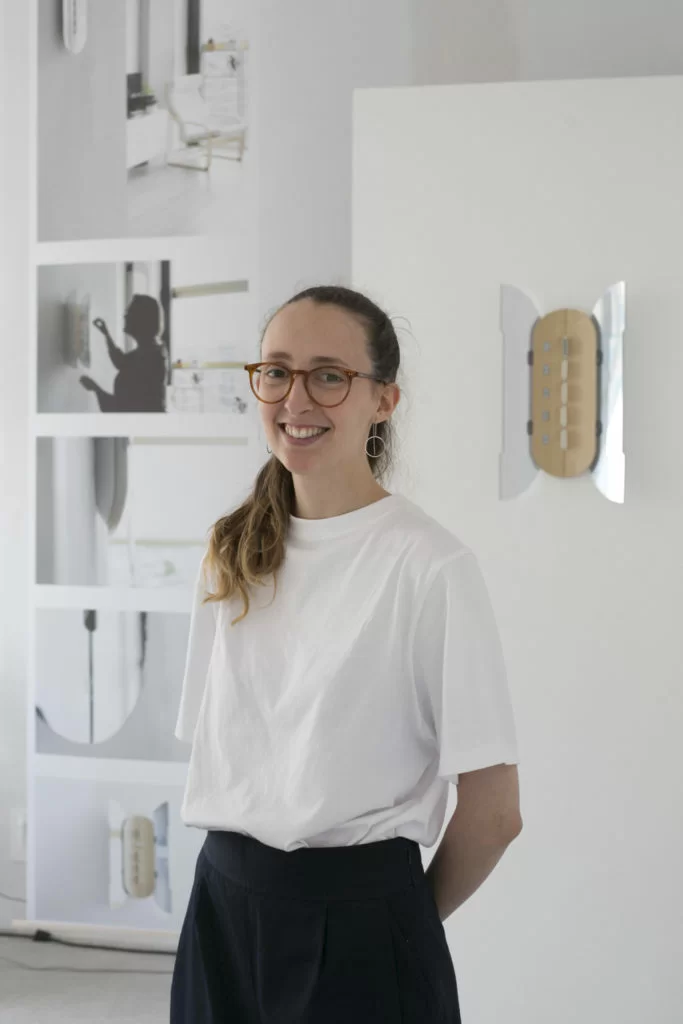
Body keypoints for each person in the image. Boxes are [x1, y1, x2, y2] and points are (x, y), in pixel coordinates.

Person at [170, 285, 522, 1023]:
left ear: (383, 401)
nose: (295, 399)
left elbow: (494, 812)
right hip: (221, 913)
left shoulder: (429, 567)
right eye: (276, 371)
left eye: (329, 375)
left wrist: (395, 928)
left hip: (361, 925)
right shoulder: (229, 550)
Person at [79, 294, 166, 412]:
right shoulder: (150, 352)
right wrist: (106, 334)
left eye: (128, 313)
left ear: (141, 319)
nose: (125, 316)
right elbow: (121, 362)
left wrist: (96, 389)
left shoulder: (149, 358)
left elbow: (123, 408)